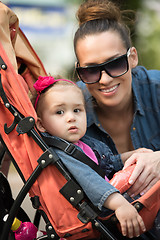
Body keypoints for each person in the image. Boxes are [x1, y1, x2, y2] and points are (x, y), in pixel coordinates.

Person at [31, 75, 147, 238]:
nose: (71, 117)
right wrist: (120, 205)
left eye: (77, 110)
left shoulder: (83, 143)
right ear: (41, 124)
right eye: (59, 112)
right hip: (102, 209)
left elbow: (104, 164)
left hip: (112, 196)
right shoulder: (61, 153)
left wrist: (130, 155)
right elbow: (90, 180)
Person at [74, 0, 160, 198]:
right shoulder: (67, 110)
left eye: (115, 64)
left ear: (133, 58)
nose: (105, 79)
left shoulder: (156, 89)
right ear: (79, 71)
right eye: (90, 70)